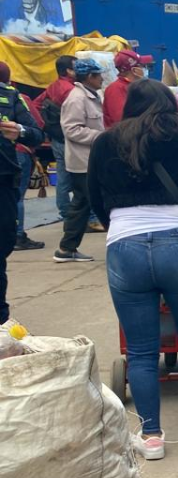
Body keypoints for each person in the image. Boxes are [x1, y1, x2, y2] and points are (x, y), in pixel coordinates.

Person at [88, 79, 178, 460]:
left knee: (139, 350)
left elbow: (95, 198)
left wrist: (119, 226)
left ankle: (150, 437)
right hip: (177, 243)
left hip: (123, 246)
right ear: (170, 104)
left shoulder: (106, 143)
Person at [0, 60, 45, 325]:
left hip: (3, 182)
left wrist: (20, 131)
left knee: (2, 248)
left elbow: (37, 133)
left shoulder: (10, 96)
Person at [55, 58, 106, 263]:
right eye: (99, 75)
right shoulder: (76, 99)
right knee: (100, 203)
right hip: (82, 163)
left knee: (81, 204)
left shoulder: (94, 96)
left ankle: (66, 249)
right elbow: (71, 129)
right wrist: (100, 136)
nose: (102, 78)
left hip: (92, 160)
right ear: (90, 77)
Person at [33, 55, 78, 222]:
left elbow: (35, 105)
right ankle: (71, 213)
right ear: (68, 70)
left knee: (63, 176)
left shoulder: (53, 87)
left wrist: (45, 127)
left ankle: (65, 211)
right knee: (77, 177)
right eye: (75, 67)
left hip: (57, 138)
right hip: (69, 139)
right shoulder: (70, 90)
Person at [103, 49, 154, 128]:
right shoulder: (116, 89)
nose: (145, 69)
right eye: (142, 66)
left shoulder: (136, 86)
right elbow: (122, 119)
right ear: (134, 70)